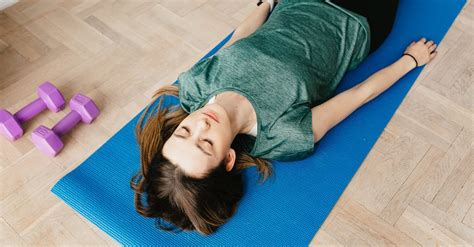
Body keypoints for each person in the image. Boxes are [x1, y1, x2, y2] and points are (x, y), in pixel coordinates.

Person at [130, 0, 438, 235]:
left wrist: (266, 3)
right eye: (206, 143)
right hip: (354, 19)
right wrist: (410, 61)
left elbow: (240, 38)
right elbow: (357, 95)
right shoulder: (283, 134)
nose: (201, 123)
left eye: (183, 132)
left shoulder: (196, 85)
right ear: (227, 159)